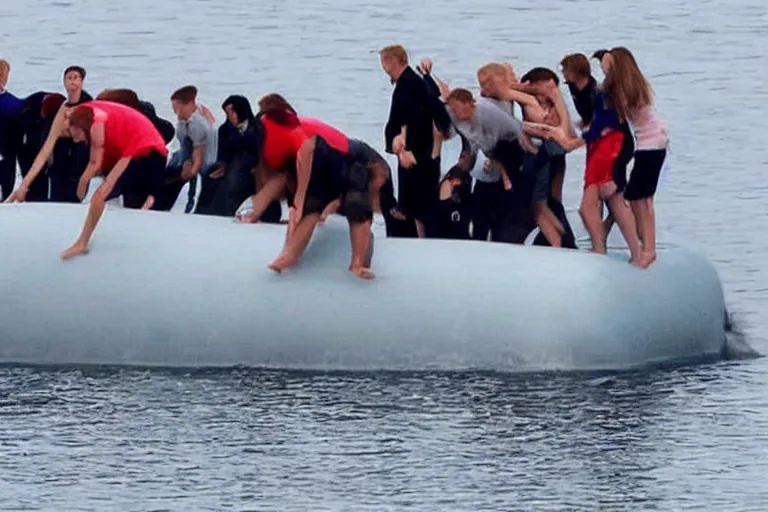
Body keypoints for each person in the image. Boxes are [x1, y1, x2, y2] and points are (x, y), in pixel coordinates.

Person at [58, 100, 170, 259]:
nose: (75, 139)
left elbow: (94, 163)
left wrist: (82, 183)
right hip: (148, 148)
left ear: (80, 126)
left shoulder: (96, 122)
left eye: (73, 132)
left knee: (102, 193)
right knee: (130, 195)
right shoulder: (87, 112)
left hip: (145, 151)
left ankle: (82, 243)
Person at [603, 47, 669, 268]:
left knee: (640, 198)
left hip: (650, 144)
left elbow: (615, 112)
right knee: (640, 197)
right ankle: (645, 244)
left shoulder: (624, 89)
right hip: (652, 141)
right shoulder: (632, 85)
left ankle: (648, 249)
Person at [4, 65, 92, 203]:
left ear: (82, 81)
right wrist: (24, 186)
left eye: (76, 78)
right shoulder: (61, 110)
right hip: (45, 139)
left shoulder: (89, 109)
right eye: (69, 78)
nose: (72, 81)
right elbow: (45, 150)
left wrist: (85, 180)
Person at [380, 44, 437, 238]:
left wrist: (405, 149)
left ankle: (421, 240)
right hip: (412, 148)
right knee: (414, 201)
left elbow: (412, 119)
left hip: (414, 150)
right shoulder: (410, 82)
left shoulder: (409, 84)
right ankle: (420, 237)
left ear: (392, 61)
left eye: (384, 61)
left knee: (416, 202)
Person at [154, 85, 218, 212]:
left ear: (189, 104)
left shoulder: (197, 123)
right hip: (187, 155)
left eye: (177, 108)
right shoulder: (185, 120)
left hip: (205, 161)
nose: (175, 111)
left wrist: (191, 171)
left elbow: (199, 150)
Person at [0, 59, 22, 200]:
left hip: (7, 154)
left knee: (6, 191)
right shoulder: (15, 104)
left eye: (3, 74)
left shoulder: (15, 104)